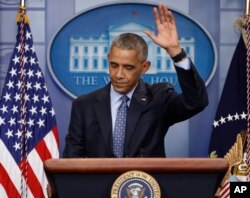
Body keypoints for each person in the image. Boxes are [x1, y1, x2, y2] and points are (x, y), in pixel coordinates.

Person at [63, 4, 208, 158]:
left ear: (144, 67)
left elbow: (196, 102)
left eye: (128, 67)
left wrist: (176, 52)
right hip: (100, 183)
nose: (118, 74)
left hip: (146, 181)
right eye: (114, 65)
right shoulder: (84, 105)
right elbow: (72, 161)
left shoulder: (159, 98)